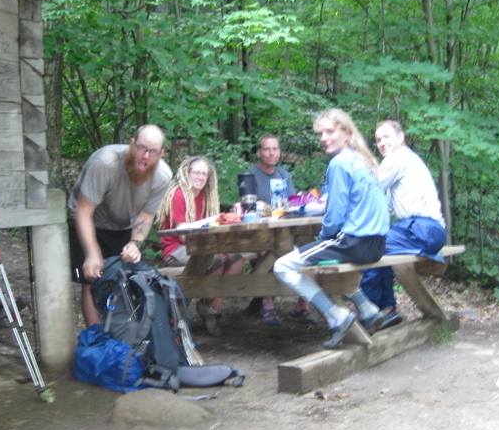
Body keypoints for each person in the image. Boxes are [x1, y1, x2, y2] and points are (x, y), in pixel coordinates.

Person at [273, 109, 389, 349]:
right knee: (318, 259)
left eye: (330, 132)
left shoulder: (339, 163)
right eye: (321, 133)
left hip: (355, 242)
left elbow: (334, 214)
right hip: (377, 244)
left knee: (282, 265)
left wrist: (324, 235)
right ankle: (368, 309)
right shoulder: (362, 160)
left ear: (346, 133)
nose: (324, 138)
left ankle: (336, 315)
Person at [68, 125, 172, 327]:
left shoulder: (163, 176)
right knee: (92, 280)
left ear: (161, 154)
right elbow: (84, 211)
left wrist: (135, 243)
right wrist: (92, 252)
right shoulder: (105, 163)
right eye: (142, 148)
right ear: (132, 144)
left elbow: (146, 215)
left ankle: (119, 336)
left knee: (122, 279)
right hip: (88, 220)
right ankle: (96, 340)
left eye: (152, 152)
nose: (145, 156)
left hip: (123, 224)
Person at [357, 120, 447, 329]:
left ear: (401, 137)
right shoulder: (401, 162)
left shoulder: (398, 158)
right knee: (379, 245)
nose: (381, 143)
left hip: (423, 228)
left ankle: (371, 312)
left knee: (368, 244)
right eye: (378, 140)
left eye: (386, 137)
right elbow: (382, 204)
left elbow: (369, 192)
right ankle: (386, 310)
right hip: (426, 230)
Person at [156, 156, 245, 336]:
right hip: (176, 250)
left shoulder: (206, 196)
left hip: (202, 248)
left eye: (204, 174)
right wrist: (214, 248)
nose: (200, 177)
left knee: (237, 259)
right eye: (196, 172)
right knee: (216, 260)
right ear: (187, 174)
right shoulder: (178, 195)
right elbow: (182, 237)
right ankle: (182, 314)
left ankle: (211, 308)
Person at [245, 134, 314, 326]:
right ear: (259, 152)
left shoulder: (284, 175)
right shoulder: (250, 176)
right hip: (259, 234)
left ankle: (303, 305)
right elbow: (248, 209)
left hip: (285, 230)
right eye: (266, 149)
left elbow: (292, 204)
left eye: (275, 149)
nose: (271, 153)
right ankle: (268, 304)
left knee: (309, 248)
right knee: (269, 253)